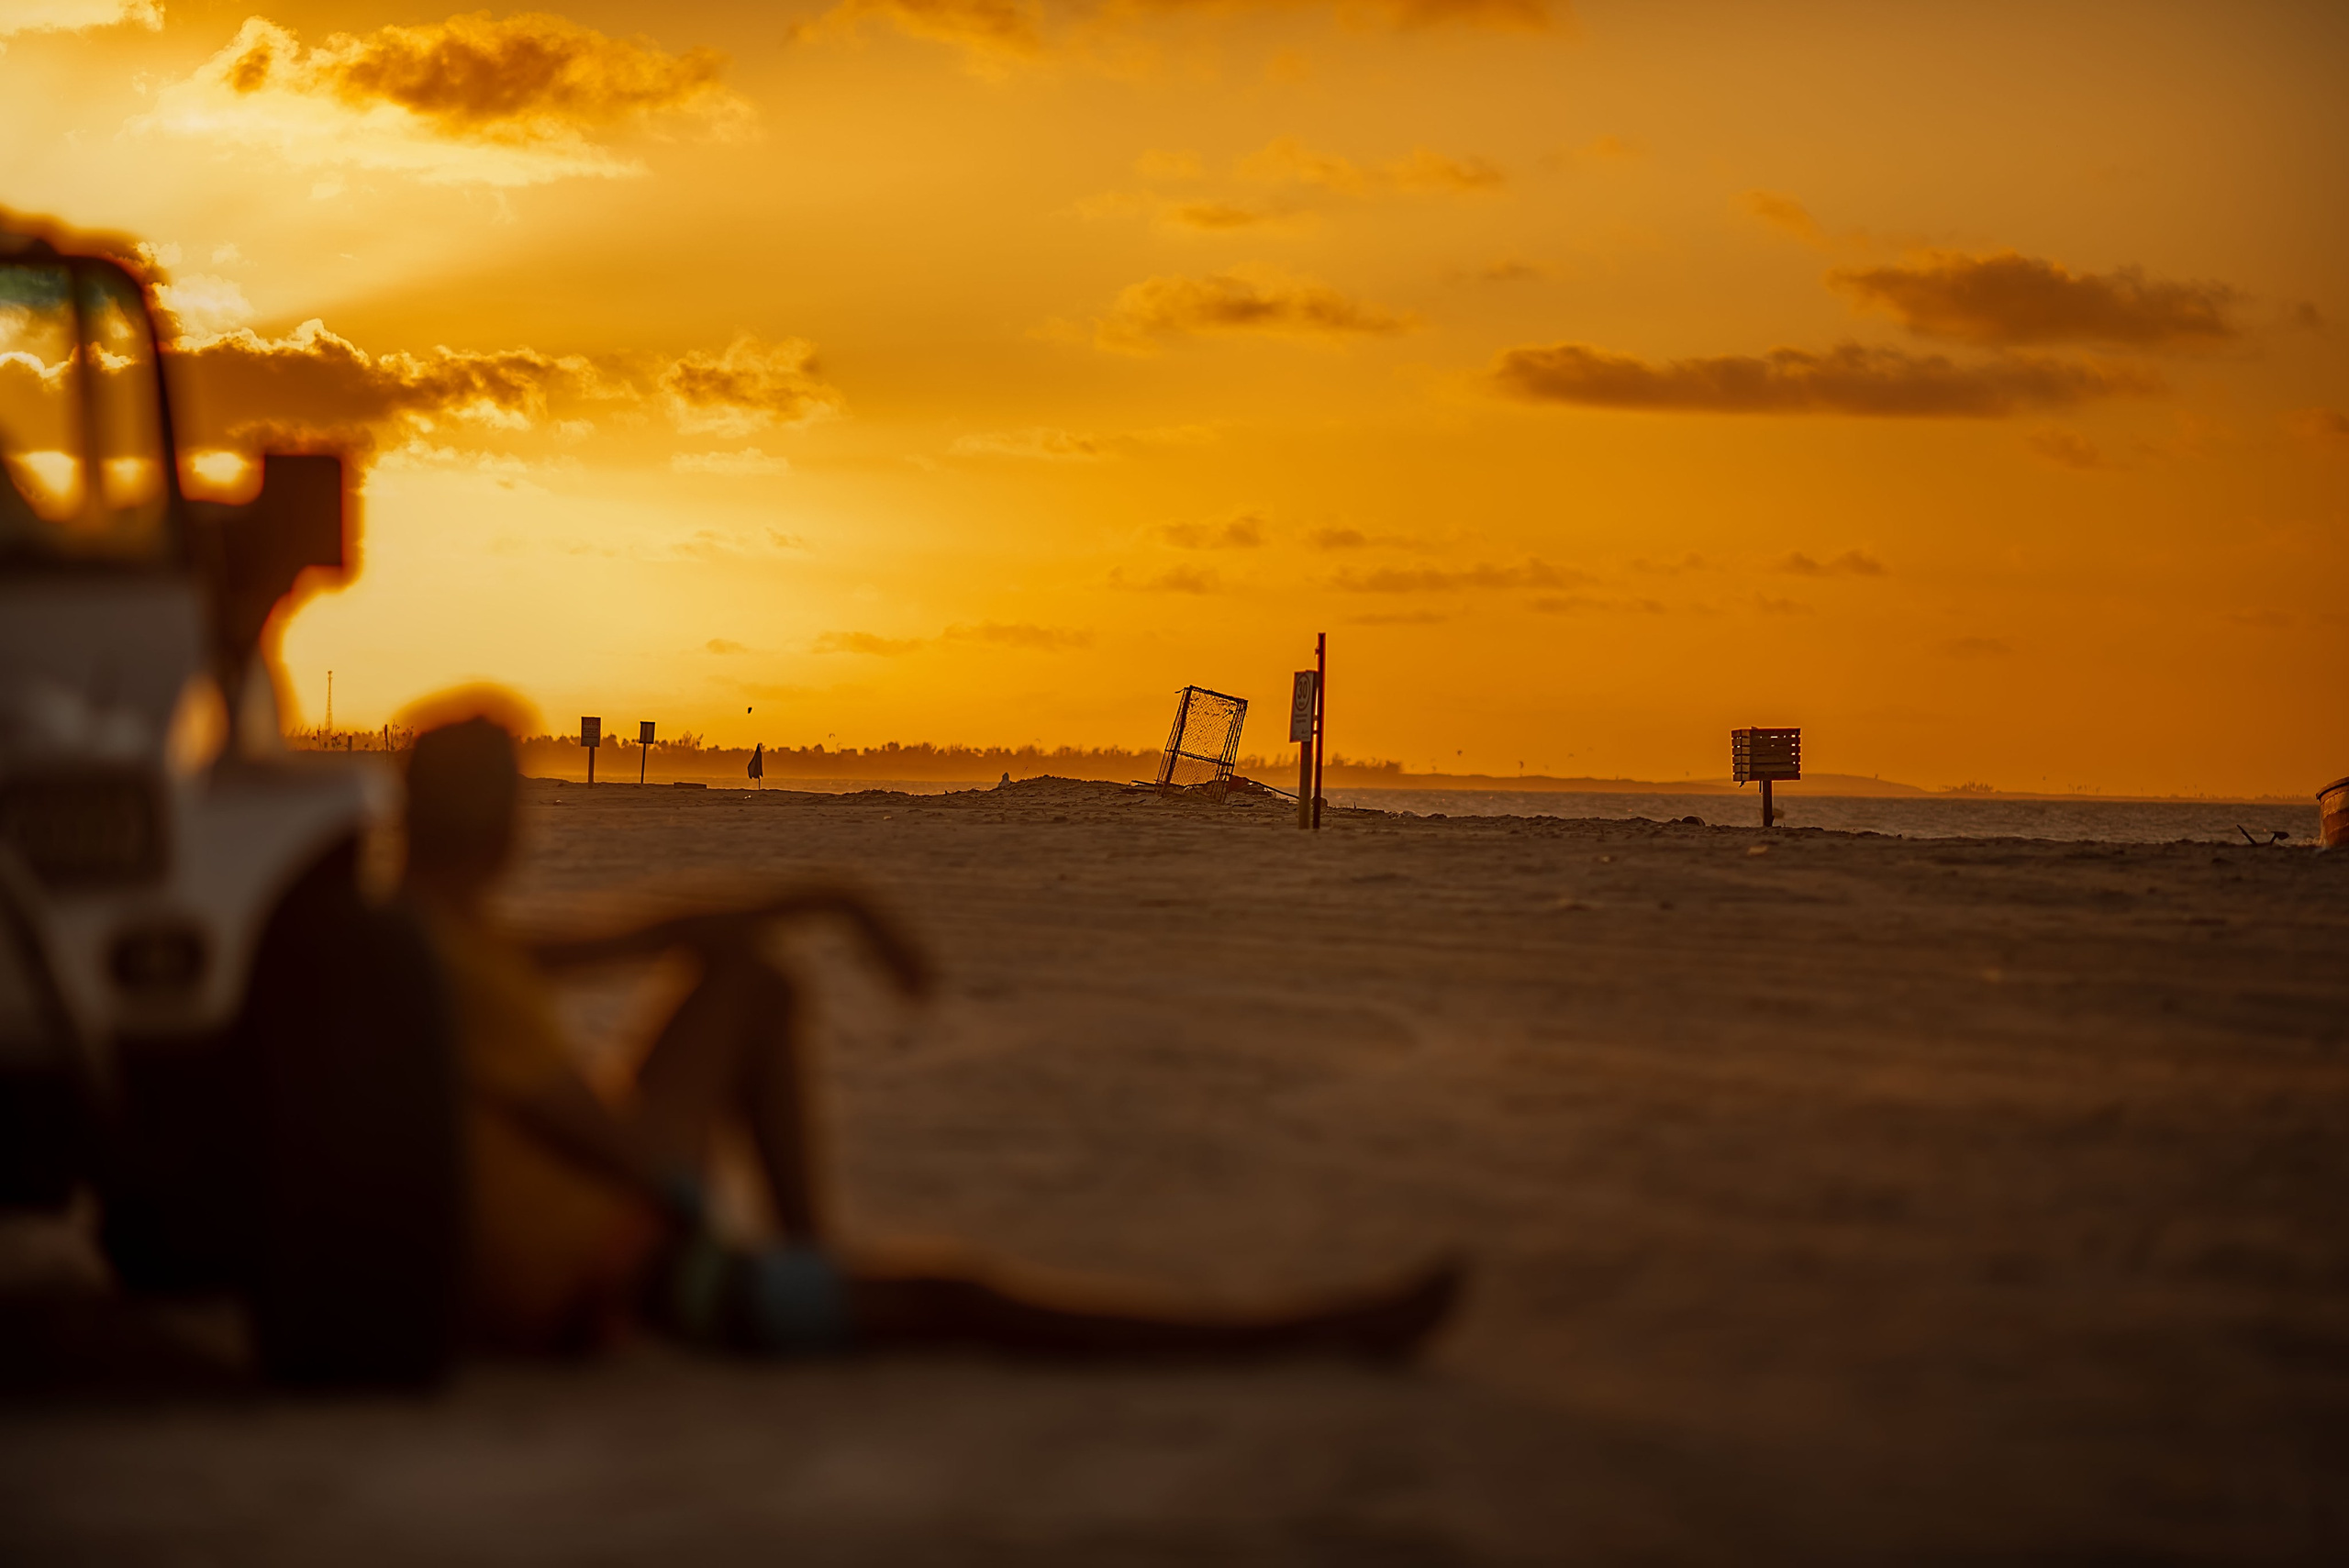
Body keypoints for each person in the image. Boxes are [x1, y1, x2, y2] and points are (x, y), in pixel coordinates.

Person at [401, 714, 1459, 1361]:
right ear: (498, 824)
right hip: (622, 1273)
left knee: (751, 977)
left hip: (607, 1232)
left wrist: (837, 895)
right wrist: (696, 1221)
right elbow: (604, 1141)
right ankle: (1303, 1334)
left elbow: (651, 933)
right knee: (959, 1299)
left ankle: (814, 1257)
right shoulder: (453, 961)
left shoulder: (432, 930)